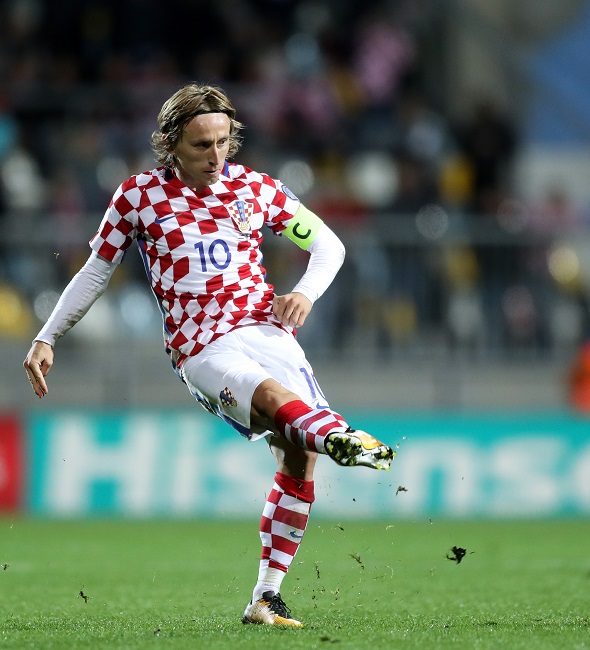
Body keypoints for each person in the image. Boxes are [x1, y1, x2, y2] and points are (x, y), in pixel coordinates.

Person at [22, 84, 395, 628]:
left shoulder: (256, 188)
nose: (217, 157)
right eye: (202, 145)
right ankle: (337, 433)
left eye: (224, 142)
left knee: (299, 456)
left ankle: (266, 598)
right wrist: (47, 335)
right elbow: (97, 269)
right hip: (202, 346)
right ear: (171, 143)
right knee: (275, 402)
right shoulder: (138, 197)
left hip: (266, 330)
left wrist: (305, 293)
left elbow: (328, 246)